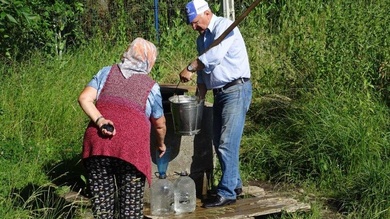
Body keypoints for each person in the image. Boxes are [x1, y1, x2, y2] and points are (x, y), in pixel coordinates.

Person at [78, 37, 167, 218]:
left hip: (98, 147)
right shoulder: (151, 87)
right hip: (131, 151)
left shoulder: (106, 72)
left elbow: (84, 98)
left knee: (103, 211)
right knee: (130, 211)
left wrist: (100, 120)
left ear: (127, 53)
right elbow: (159, 124)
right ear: (149, 62)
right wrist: (161, 144)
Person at [179, 0, 252, 208]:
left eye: (194, 22)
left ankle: (227, 191)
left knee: (226, 141)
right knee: (218, 140)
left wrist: (190, 67)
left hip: (236, 89)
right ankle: (235, 184)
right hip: (220, 93)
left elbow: (214, 56)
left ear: (207, 13)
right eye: (190, 24)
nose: (193, 27)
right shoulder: (202, 40)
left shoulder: (224, 27)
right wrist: (198, 102)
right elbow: (203, 75)